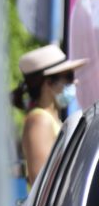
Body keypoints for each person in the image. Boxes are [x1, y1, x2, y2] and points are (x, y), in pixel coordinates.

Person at [12, 44, 87, 185]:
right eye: (69, 77)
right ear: (49, 83)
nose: (75, 82)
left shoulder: (49, 119)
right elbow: (42, 184)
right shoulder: (39, 121)